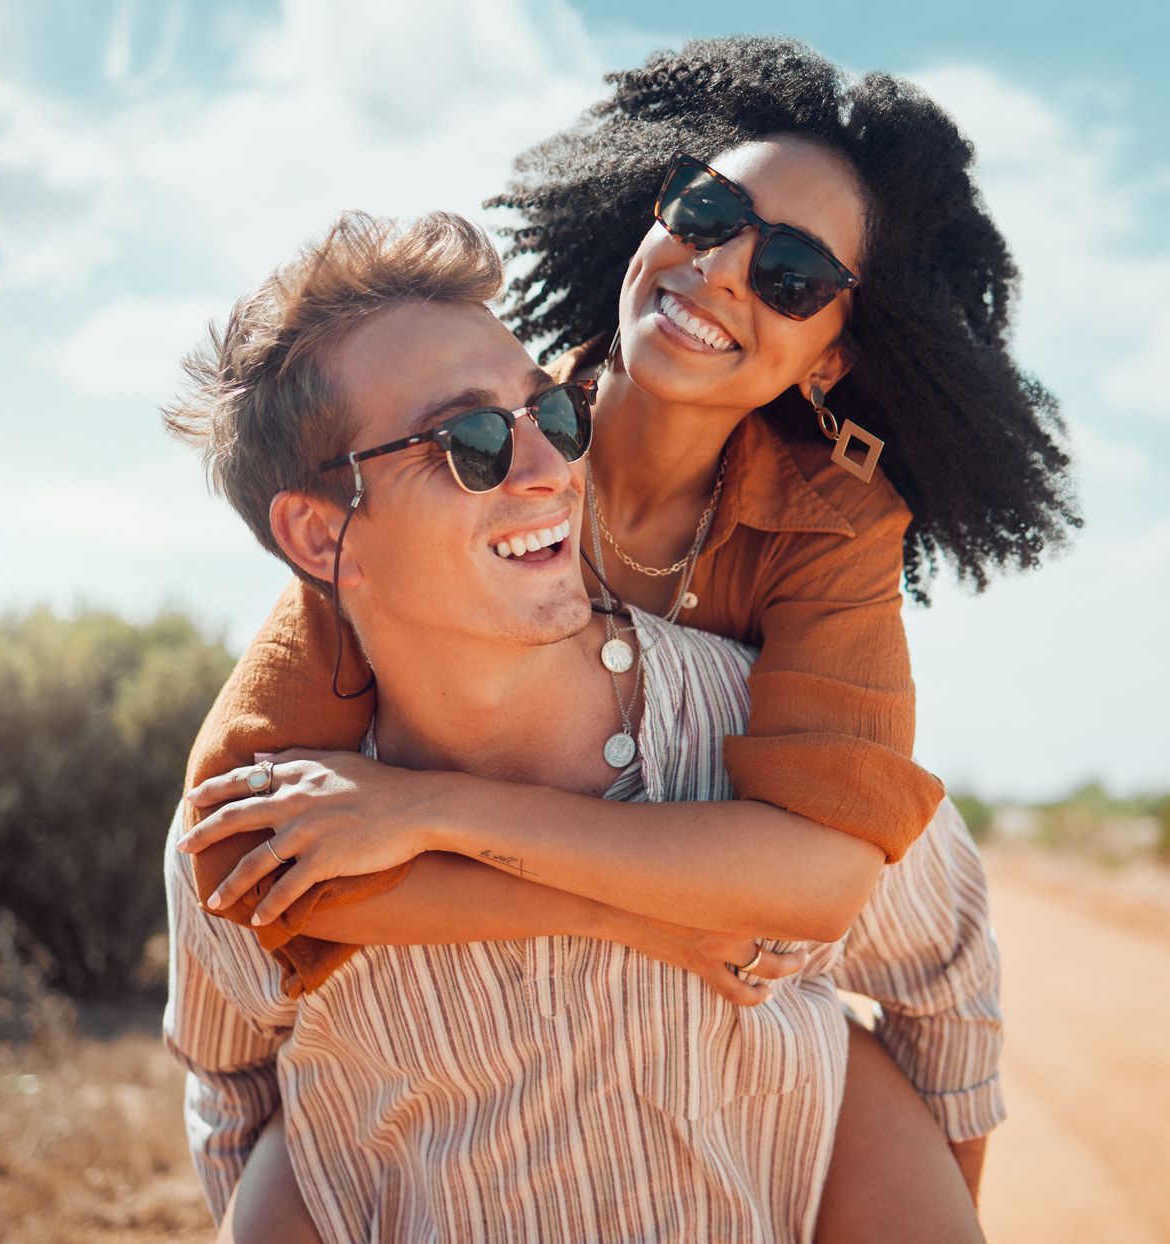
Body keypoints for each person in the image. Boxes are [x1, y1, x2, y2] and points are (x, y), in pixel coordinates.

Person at [176, 35, 1073, 1236]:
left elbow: (825, 877)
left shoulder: (827, 524)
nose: (719, 272)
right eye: (707, 212)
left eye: (794, 276)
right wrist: (638, 915)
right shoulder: (483, 448)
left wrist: (435, 812)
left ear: (833, 354)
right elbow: (255, 848)